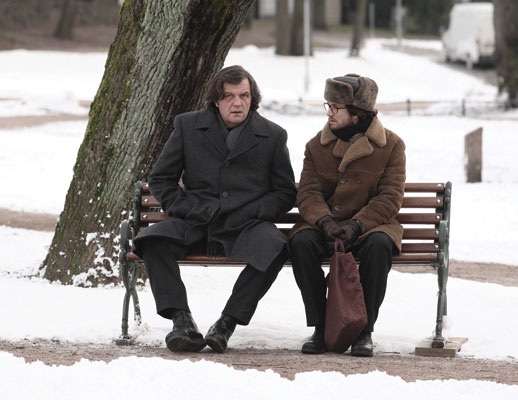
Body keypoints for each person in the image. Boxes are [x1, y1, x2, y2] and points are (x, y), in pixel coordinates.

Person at [133, 65, 297, 354]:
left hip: (245, 224)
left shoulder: (273, 135)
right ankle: (181, 321)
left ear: (252, 98)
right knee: (152, 240)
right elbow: (161, 179)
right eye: (229, 96)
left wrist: (254, 212)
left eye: (244, 95)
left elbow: (284, 192)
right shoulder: (188, 126)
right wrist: (186, 207)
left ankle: (226, 323)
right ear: (216, 100)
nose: (238, 103)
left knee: (276, 247)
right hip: (197, 219)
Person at [288, 73, 406, 357]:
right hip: (324, 225)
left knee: (379, 246)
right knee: (301, 243)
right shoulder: (316, 146)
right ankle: (320, 327)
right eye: (327, 105)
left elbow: (389, 197)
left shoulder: (391, 146)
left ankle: (364, 331)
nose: (328, 113)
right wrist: (325, 221)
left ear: (357, 113)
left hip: (370, 225)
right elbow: (308, 193)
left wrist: (357, 225)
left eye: (334, 107)